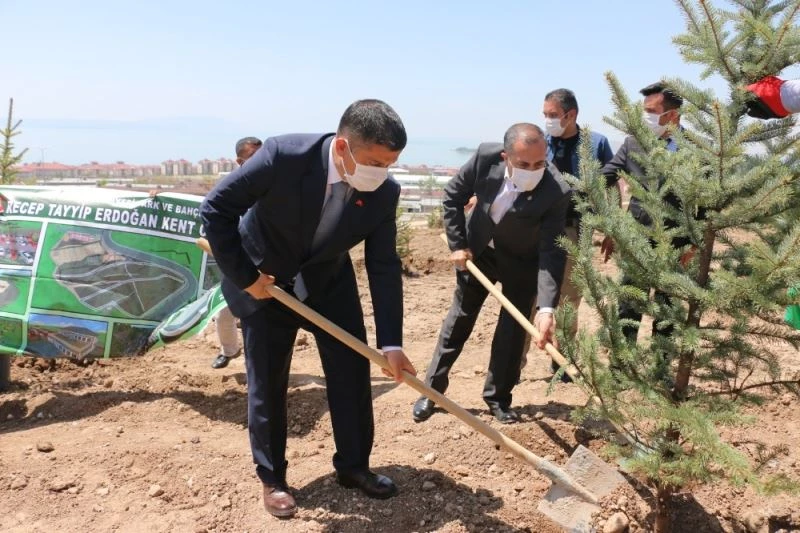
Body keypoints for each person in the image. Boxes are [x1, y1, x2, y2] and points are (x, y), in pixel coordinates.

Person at [200, 99, 417, 519]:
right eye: (374, 161)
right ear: (342, 147)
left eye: (389, 164)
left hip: (327, 281)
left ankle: (353, 466)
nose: (381, 172)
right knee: (268, 380)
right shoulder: (284, 156)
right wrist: (246, 277)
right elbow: (216, 209)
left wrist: (391, 342)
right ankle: (273, 478)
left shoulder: (384, 192)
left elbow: (384, 266)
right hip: (263, 281)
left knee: (353, 372)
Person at [412, 123, 570, 424]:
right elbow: (453, 197)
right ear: (505, 156)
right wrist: (458, 245)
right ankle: (431, 391)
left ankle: (498, 399)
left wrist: (547, 307)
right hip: (478, 252)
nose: (533, 170)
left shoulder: (557, 190)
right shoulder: (485, 158)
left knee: (511, 334)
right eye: (523, 164)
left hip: (523, 262)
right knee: (458, 320)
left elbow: (552, 250)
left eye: (539, 164)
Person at [522, 89, 614, 376]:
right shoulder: (541, 142)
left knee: (570, 298)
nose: (548, 120)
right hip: (538, 228)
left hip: (578, 228)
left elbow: (609, 186)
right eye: (545, 115)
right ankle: (516, 362)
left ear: (571, 115)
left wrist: (611, 229)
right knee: (530, 296)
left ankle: (562, 360)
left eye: (553, 115)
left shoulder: (596, 144)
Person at [600, 82, 695, 345]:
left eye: (651, 111)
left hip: (677, 244)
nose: (645, 117)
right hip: (637, 239)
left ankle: (661, 367)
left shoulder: (698, 149)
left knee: (668, 311)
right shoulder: (633, 144)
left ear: (673, 115)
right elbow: (602, 179)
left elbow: (707, 203)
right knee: (629, 305)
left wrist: (695, 244)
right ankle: (622, 368)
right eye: (644, 110)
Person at [210, 136, 262, 369]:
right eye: (253, 158)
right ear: (239, 161)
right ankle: (230, 350)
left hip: (267, 264)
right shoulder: (230, 188)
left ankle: (257, 365)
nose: (259, 162)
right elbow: (208, 212)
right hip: (238, 265)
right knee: (223, 315)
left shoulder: (271, 185)